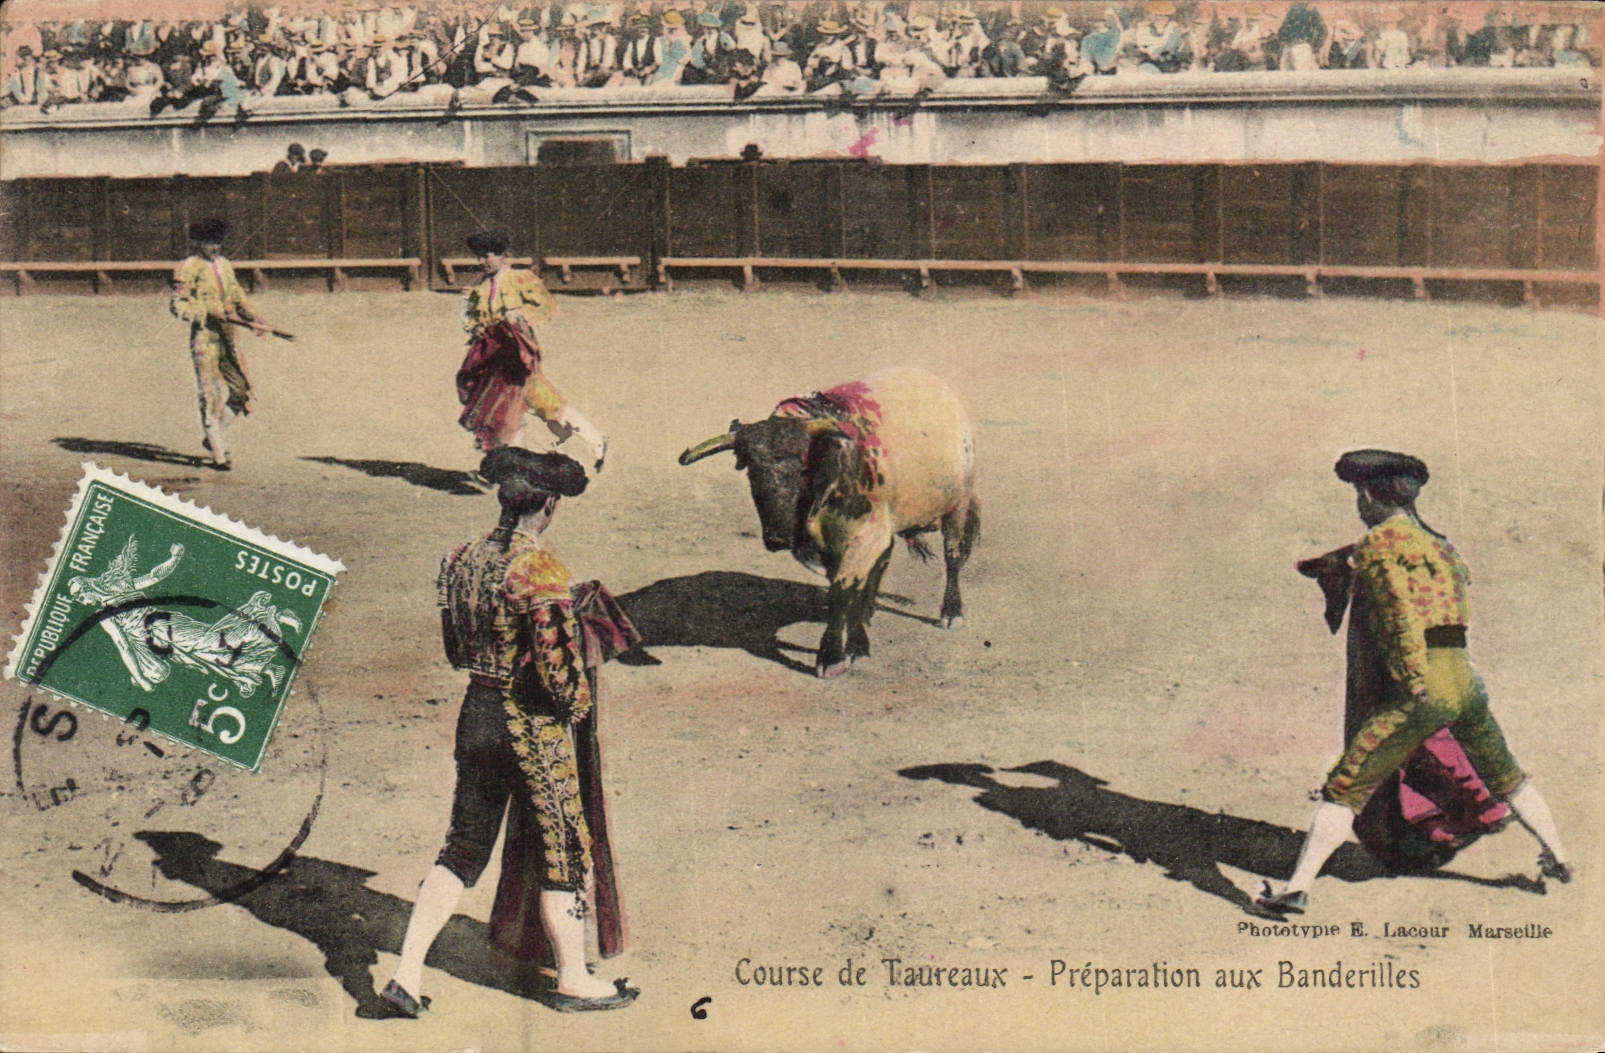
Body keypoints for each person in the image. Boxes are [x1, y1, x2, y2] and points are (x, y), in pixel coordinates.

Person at [381, 446, 638, 1017]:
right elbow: (556, 667)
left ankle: (406, 972)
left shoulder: (459, 559)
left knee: (463, 846)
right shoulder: (540, 569)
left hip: (476, 711)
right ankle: (573, 977)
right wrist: (574, 706)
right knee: (563, 849)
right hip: (529, 725)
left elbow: (454, 650)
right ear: (546, 504)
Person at [1256, 450, 1571, 915]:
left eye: (1357, 497)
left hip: (1422, 686)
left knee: (1346, 785)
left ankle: (1295, 889)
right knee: (1507, 775)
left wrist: (1411, 681)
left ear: (1367, 495)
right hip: (1464, 680)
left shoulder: (1378, 548)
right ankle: (1558, 856)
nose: (1357, 507)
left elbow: (1399, 617)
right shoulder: (1441, 546)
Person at [456, 230, 606, 466]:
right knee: (519, 402)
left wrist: (523, 316)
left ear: (503, 255)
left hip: (518, 352)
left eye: (487, 256)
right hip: (493, 356)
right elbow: (472, 321)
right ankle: (591, 438)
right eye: (480, 257)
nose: (482, 262)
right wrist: (474, 327)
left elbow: (547, 305)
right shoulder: (481, 288)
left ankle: (589, 439)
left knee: (518, 401)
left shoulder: (520, 278)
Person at [170, 217, 277, 470]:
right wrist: (207, 311)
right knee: (210, 393)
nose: (214, 247)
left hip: (229, 334)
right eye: (209, 243)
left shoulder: (225, 265)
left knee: (240, 390)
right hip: (205, 335)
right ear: (198, 243)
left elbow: (237, 294)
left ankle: (212, 436)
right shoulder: (188, 266)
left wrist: (255, 317)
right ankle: (218, 452)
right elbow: (178, 305)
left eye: (218, 242)